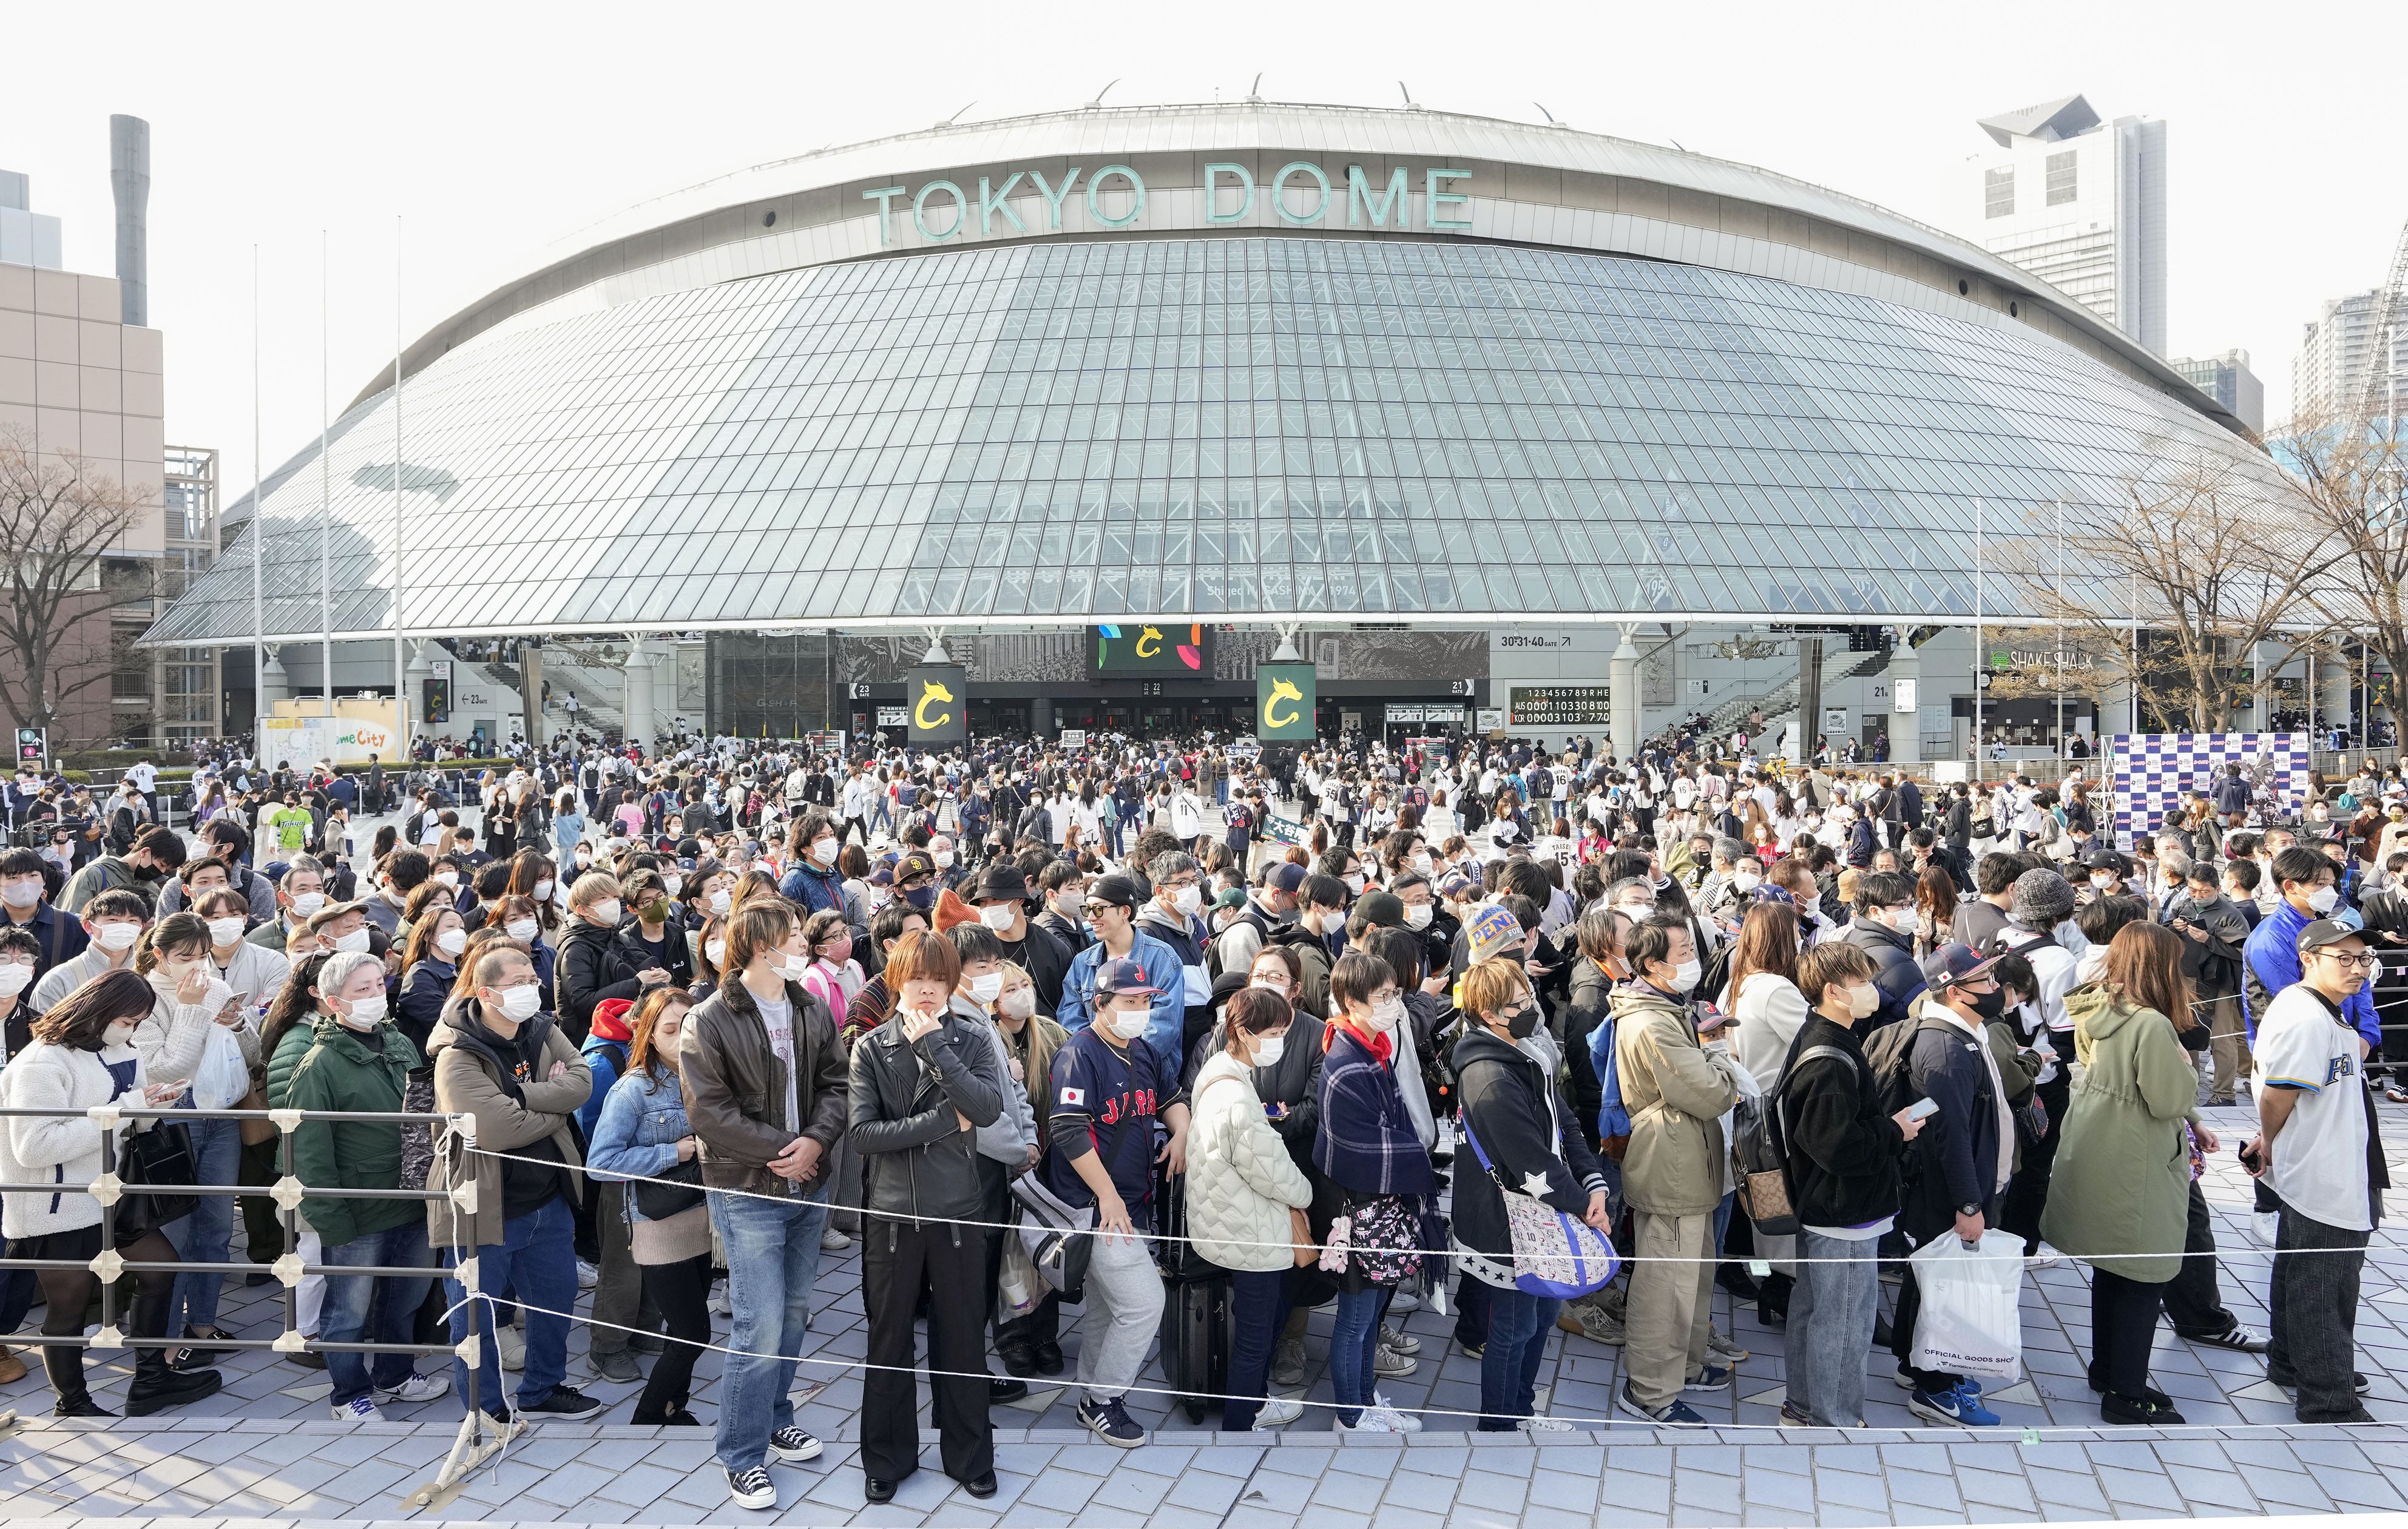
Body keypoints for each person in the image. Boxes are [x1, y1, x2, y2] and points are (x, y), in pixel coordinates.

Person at [680, 898, 848, 1509]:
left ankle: (777, 1414)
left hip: (810, 1180)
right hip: (749, 1187)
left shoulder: (809, 1006)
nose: (803, 946)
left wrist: (817, 1142)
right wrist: (789, 1147)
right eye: (793, 938)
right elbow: (709, 1113)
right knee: (759, 1323)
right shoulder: (710, 1018)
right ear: (759, 945)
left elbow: (836, 1083)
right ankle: (741, 1453)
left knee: (796, 1312)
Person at [0, 969, 222, 1416]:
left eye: (138, 1022)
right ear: (96, 1010)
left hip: (110, 1193)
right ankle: (73, 1402)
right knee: (69, 1309)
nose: (132, 1029)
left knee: (162, 1268)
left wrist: (151, 1103)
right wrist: (126, 1110)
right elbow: (34, 1148)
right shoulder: (42, 1062)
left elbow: (126, 1114)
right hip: (55, 1205)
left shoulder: (120, 1045)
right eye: (127, 1020)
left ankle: (151, 1381)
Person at [850, 930, 1006, 1502]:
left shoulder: (969, 1038)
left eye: (939, 983)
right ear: (897, 982)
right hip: (891, 1215)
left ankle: (970, 1455)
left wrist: (937, 1048)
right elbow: (864, 1135)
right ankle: (887, 1458)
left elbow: (987, 1109)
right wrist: (944, 1122)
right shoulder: (870, 1047)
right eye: (917, 982)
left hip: (959, 1209)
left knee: (964, 1336)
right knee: (888, 1339)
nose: (927, 994)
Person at [427, 942, 603, 1423]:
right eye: (518, 984)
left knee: (556, 1301)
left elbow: (582, 1083)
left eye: (533, 981)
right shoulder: (457, 1054)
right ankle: (484, 1412)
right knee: (476, 1316)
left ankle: (544, 1388)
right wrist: (554, 1107)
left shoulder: (543, 1030)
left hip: (549, 1198)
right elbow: (494, 1128)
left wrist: (522, 1095)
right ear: (486, 993)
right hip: (484, 1204)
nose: (531, 990)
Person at [2040, 922, 2207, 1426]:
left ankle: (2106, 1369)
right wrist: (2186, 1068)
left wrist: (2194, 1120)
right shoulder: (2153, 1024)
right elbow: (2169, 1098)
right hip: (2140, 1154)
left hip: (2098, 1141)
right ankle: (2127, 1393)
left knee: (2112, 1268)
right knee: (2144, 1274)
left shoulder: (2095, 1003)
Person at [283, 947, 450, 1419]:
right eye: (362, 990)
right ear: (334, 1002)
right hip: (359, 1209)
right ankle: (347, 1394)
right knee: (348, 1312)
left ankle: (395, 1376)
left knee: (405, 1299)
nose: (377, 996)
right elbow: (310, 1151)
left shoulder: (397, 1042)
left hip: (413, 1197)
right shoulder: (318, 1064)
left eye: (379, 986)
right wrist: (331, 1217)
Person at [1450, 957, 1607, 1431]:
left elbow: (1567, 1123)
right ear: (1491, 1014)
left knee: (1541, 1319)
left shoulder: (1525, 1054)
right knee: (1515, 1328)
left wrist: (1592, 1182)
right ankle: (1499, 1425)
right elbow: (1531, 1164)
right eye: (1519, 1003)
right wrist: (1584, 1206)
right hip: (1509, 1224)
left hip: (1545, 1214)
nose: (1531, 1008)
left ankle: (1520, 1409)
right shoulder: (1490, 1078)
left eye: (1529, 997)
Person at [1044, 956, 1189, 1446]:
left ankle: (1090, 1396)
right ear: (1101, 1004)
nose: (1140, 1009)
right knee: (1146, 1302)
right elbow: (1066, 1129)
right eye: (1130, 1001)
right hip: (1094, 1205)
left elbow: (1171, 1099)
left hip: (1133, 1200)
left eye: (1146, 1001)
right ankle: (1105, 1400)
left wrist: (1182, 1133)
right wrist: (1107, 1196)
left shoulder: (1142, 1050)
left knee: (1110, 1307)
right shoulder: (1079, 1053)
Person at [1777, 942, 1919, 1428]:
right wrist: (1894, 1129)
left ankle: (1802, 1406)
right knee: (1844, 1323)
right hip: (1843, 1211)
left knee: (1815, 1310)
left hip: (1825, 1205)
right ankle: (1832, 1418)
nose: (1872, 991)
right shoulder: (1830, 1058)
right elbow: (1835, 1146)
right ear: (1834, 991)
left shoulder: (1824, 1035)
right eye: (1862, 983)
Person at [2248, 918, 2380, 1425]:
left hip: (2329, 1159)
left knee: (2301, 1271)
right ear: (2308, 959)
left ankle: (2290, 1362)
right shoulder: (2306, 1015)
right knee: (2324, 1284)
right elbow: (2278, 1093)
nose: (2357, 968)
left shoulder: (2323, 1009)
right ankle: (2325, 1394)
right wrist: (2271, 1143)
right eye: (2342, 958)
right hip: (2322, 1169)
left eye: (2362, 958)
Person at [1611, 914, 1740, 1425]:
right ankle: (1650, 1390)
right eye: (1683, 953)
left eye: (1692, 949)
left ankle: (1684, 1365)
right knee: (1665, 1282)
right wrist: (1719, 1056)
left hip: (1687, 1155)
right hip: (1670, 1158)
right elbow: (1710, 1094)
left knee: (1694, 1273)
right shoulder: (1651, 1021)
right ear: (1651, 964)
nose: (1693, 960)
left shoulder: (1667, 1006)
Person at [1891, 943, 2012, 1428]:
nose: (1996, 988)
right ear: (1954, 991)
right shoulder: (1945, 1049)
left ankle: (1912, 1362)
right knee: (1944, 1287)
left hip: (1955, 1189)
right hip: (1947, 1194)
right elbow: (1951, 1135)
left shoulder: (1965, 1036)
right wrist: (1969, 1203)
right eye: (1985, 981)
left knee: (1928, 1280)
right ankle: (1934, 1388)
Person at [1312, 947, 1433, 1433]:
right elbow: (1359, 1145)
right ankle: (1351, 1413)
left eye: (1396, 994)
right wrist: (1417, 1160)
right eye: (1383, 997)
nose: (1394, 1004)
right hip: (1358, 1210)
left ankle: (1364, 1398)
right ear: (1350, 1002)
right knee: (1356, 1316)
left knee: (1367, 1313)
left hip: (1374, 1205)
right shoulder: (1347, 1061)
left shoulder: (1371, 1049)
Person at [1185, 984, 1315, 1431]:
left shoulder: (1217, 1070)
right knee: (1258, 1332)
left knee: (1260, 1320)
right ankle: (1243, 1419)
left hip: (1225, 1216)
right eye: (1274, 1032)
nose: (1279, 1041)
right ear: (1242, 1032)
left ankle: (1251, 1402)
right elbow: (1272, 1171)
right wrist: (1305, 1195)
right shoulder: (1238, 1098)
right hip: (1250, 1231)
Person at [133, 912, 260, 1365]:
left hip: (220, 1113)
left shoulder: (218, 987)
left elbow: (252, 1056)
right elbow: (161, 1068)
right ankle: (165, 1341)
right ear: (159, 955)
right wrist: (191, 1009)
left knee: (217, 1226)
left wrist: (239, 1024)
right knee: (175, 1234)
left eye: (203, 956)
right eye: (185, 957)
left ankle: (203, 1322)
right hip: (169, 1120)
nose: (197, 966)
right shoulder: (143, 996)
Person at [586, 987, 712, 1426]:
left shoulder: (708, 1077)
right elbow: (600, 1164)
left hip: (702, 1216)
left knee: (685, 1330)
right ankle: (647, 1417)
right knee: (695, 1332)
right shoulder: (633, 1090)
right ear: (650, 1035)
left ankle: (674, 1407)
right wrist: (672, 1154)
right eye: (670, 1029)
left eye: (689, 1026)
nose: (682, 1036)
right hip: (656, 1224)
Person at [1056, 873, 1184, 1056]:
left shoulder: (1163, 958)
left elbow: (1163, 1028)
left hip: (1148, 1074)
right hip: (1097, 1070)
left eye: (1099, 909)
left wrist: (1120, 1062)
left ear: (1125, 911)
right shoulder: (1082, 963)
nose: (1091, 917)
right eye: (1087, 909)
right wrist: (1100, 1059)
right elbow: (1071, 1021)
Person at [558, 871, 662, 1044]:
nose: (613, 903)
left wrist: (656, 977)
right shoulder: (575, 949)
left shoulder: (615, 935)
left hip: (626, 1030)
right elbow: (583, 1002)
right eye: (603, 898)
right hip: (595, 1040)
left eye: (615, 896)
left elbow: (636, 962)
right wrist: (636, 983)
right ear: (583, 909)